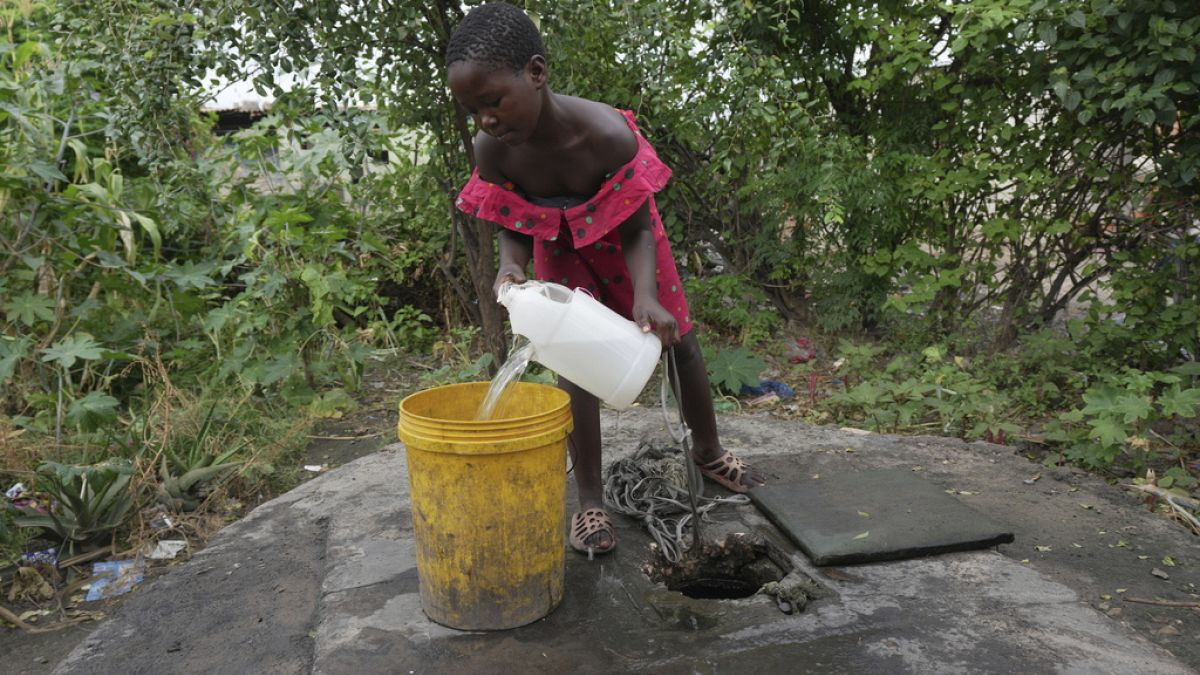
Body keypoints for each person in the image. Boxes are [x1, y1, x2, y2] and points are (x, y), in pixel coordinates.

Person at [446, 2, 764, 556]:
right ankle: (590, 500)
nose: (486, 121)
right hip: (560, 244)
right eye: (473, 110)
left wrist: (645, 297)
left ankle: (708, 451)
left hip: (628, 242)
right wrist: (511, 264)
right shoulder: (493, 150)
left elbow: (640, 226)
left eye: (493, 102)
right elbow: (510, 220)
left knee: (679, 344)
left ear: (537, 73)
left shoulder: (606, 135)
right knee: (577, 367)